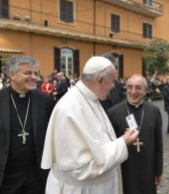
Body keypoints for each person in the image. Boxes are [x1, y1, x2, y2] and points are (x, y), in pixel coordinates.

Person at [41, 56, 139, 194]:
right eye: (112, 81)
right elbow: (80, 168)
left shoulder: (91, 98)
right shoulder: (69, 108)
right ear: (100, 80)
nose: (113, 86)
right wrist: (123, 142)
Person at [0, 56, 54, 194]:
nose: (34, 77)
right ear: (12, 75)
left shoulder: (45, 101)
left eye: (36, 73)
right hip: (5, 174)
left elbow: (51, 132)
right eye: (28, 73)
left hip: (37, 173)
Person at [107, 74, 163, 194]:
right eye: (130, 87)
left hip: (148, 169)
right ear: (126, 89)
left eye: (138, 88)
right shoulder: (113, 113)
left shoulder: (154, 111)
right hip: (125, 170)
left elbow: (158, 144)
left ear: (146, 90)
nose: (133, 92)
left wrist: (158, 171)